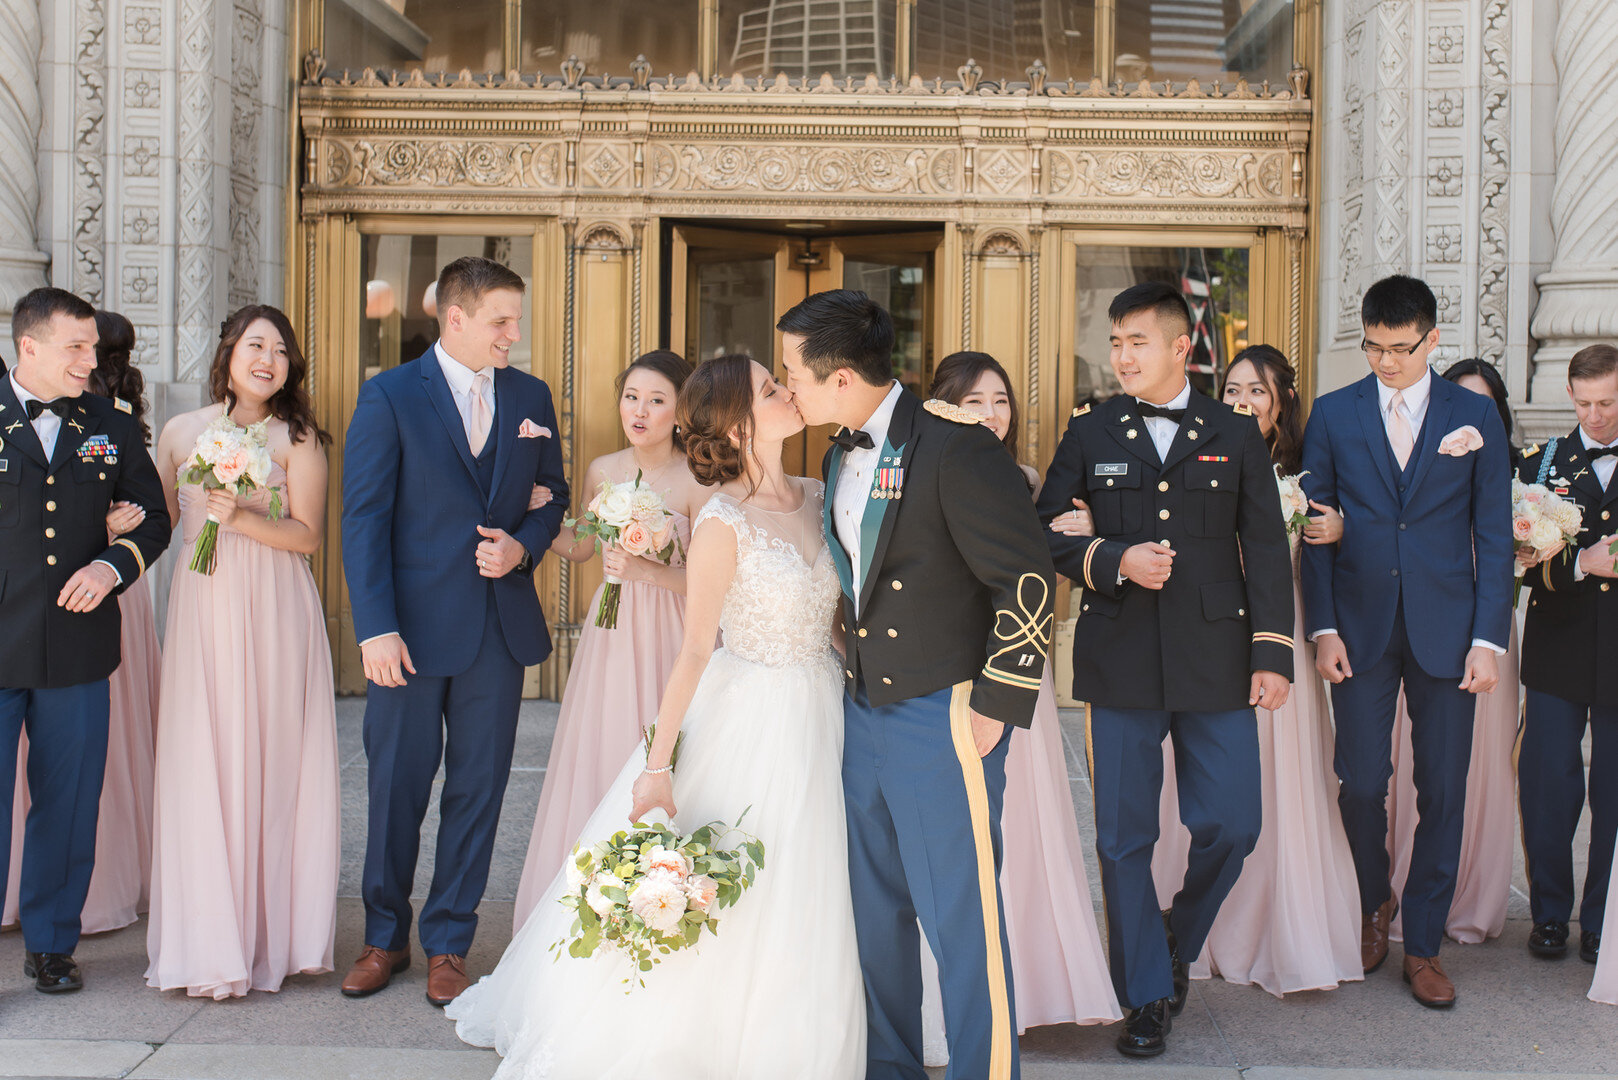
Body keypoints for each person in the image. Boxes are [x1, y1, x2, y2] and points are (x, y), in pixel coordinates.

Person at [447, 355, 865, 1079]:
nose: (788, 394)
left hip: (821, 705)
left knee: (816, 874)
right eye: (771, 390)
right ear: (739, 423)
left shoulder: (819, 492)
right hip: (747, 706)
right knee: (744, 859)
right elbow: (696, 650)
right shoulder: (723, 521)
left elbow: (833, 621)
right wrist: (657, 765)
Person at [782, 290, 1057, 1080]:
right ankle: (891, 1069)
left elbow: (1027, 577)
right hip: (862, 709)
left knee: (960, 920)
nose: (784, 384)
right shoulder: (839, 451)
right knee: (876, 915)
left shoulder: (954, 447)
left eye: (793, 370)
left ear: (839, 378)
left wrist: (997, 705)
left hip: (944, 712)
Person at [1036, 283, 1294, 1056]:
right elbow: (1042, 530)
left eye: (1137, 341)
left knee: (1234, 825)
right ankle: (1146, 992)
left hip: (1217, 655)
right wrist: (1110, 558)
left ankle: (1174, 939)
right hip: (1118, 659)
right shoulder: (1089, 431)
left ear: (1183, 347)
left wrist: (1272, 652)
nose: (1121, 357)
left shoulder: (1234, 431)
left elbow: (1267, 550)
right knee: (1121, 836)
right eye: (1115, 342)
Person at [341, 256, 570, 1006]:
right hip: (405, 635)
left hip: (496, 634)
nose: (514, 335)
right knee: (396, 789)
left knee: (478, 790)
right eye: (502, 321)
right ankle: (383, 937)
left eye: (517, 321)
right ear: (457, 318)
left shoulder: (532, 397)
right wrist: (374, 629)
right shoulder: (390, 396)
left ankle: (449, 941)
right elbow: (364, 520)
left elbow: (554, 496)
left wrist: (524, 546)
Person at [1121, 344, 1361, 997]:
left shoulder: (1309, 479)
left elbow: (1353, 549)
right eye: (1232, 391)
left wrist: (1342, 529)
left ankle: (1279, 926)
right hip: (1210, 656)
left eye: (1257, 390)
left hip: (1277, 653)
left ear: (1281, 399)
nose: (1244, 402)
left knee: (1279, 797)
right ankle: (1195, 925)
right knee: (1216, 802)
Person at [1300, 274, 1513, 1009]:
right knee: (1360, 781)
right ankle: (1371, 901)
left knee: (1444, 789)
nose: (1385, 361)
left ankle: (1422, 943)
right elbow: (1316, 529)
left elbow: (1491, 534)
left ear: (1432, 339)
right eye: (1373, 347)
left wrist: (1490, 639)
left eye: (1399, 348)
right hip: (1357, 628)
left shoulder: (1472, 416)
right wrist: (1322, 627)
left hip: (1450, 632)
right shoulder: (1333, 414)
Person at [918, 350, 1119, 1052]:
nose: (990, 413)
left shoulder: (1029, 478)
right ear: (942, 405)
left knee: (1022, 831)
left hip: (1015, 672)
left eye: (1000, 400)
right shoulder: (921, 468)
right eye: (974, 400)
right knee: (961, 835)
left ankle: (1030, 988)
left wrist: (1075, 541)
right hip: (956, 668)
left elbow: (1035, 578)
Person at [143, 305, 340, 998]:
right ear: (228, 351)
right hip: (202, 614)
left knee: (268, 758)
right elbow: (157, 524)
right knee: (205, 758)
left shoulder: (298, 439)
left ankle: (268, 940)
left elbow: (309, 536)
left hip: (276, 612)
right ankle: (206, 938)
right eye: (256, 344)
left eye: (281, 349)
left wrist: (246, 517)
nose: (269, 358)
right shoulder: (178, 433)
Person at [0, 286, 170, 993]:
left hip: (77, 644)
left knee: (68, 803)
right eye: (74, 347)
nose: (88, 360)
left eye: (92, 347)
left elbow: (155, 520)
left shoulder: (112, 423)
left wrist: (111, 566)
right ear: (27, 346)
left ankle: (51, 945)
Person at [513, 350, 702, 927]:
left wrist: (646, 571)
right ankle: (594, 897)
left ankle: (667, 894)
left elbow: (706, 578)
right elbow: (581, 546)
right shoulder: (602, 469)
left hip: (674, 628)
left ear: (680, 410)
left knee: (664, 748)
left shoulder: (698, 479)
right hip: (612, 631)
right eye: (631, 397)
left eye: (656, 400)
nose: (639, 411)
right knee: (604, 743)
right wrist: (538, 515)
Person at [1383, 358, 1521, 948]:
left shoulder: (1510, 459)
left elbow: (1496, 541)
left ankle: (1439, 921)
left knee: (1458, 777)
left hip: (1477, 627)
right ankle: (1380, 894)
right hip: (1397, 626)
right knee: (1378, 776)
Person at [1515, 344, 1618, 970]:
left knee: (1614, 792)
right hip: (1556, 650)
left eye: (1608, 403)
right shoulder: (1541, 463)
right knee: (1548, 787)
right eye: (1584, 404)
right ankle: (1551, 914)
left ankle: (1603, 920)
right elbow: (1520, 562)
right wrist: (1580, 562)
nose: (1596, 415)